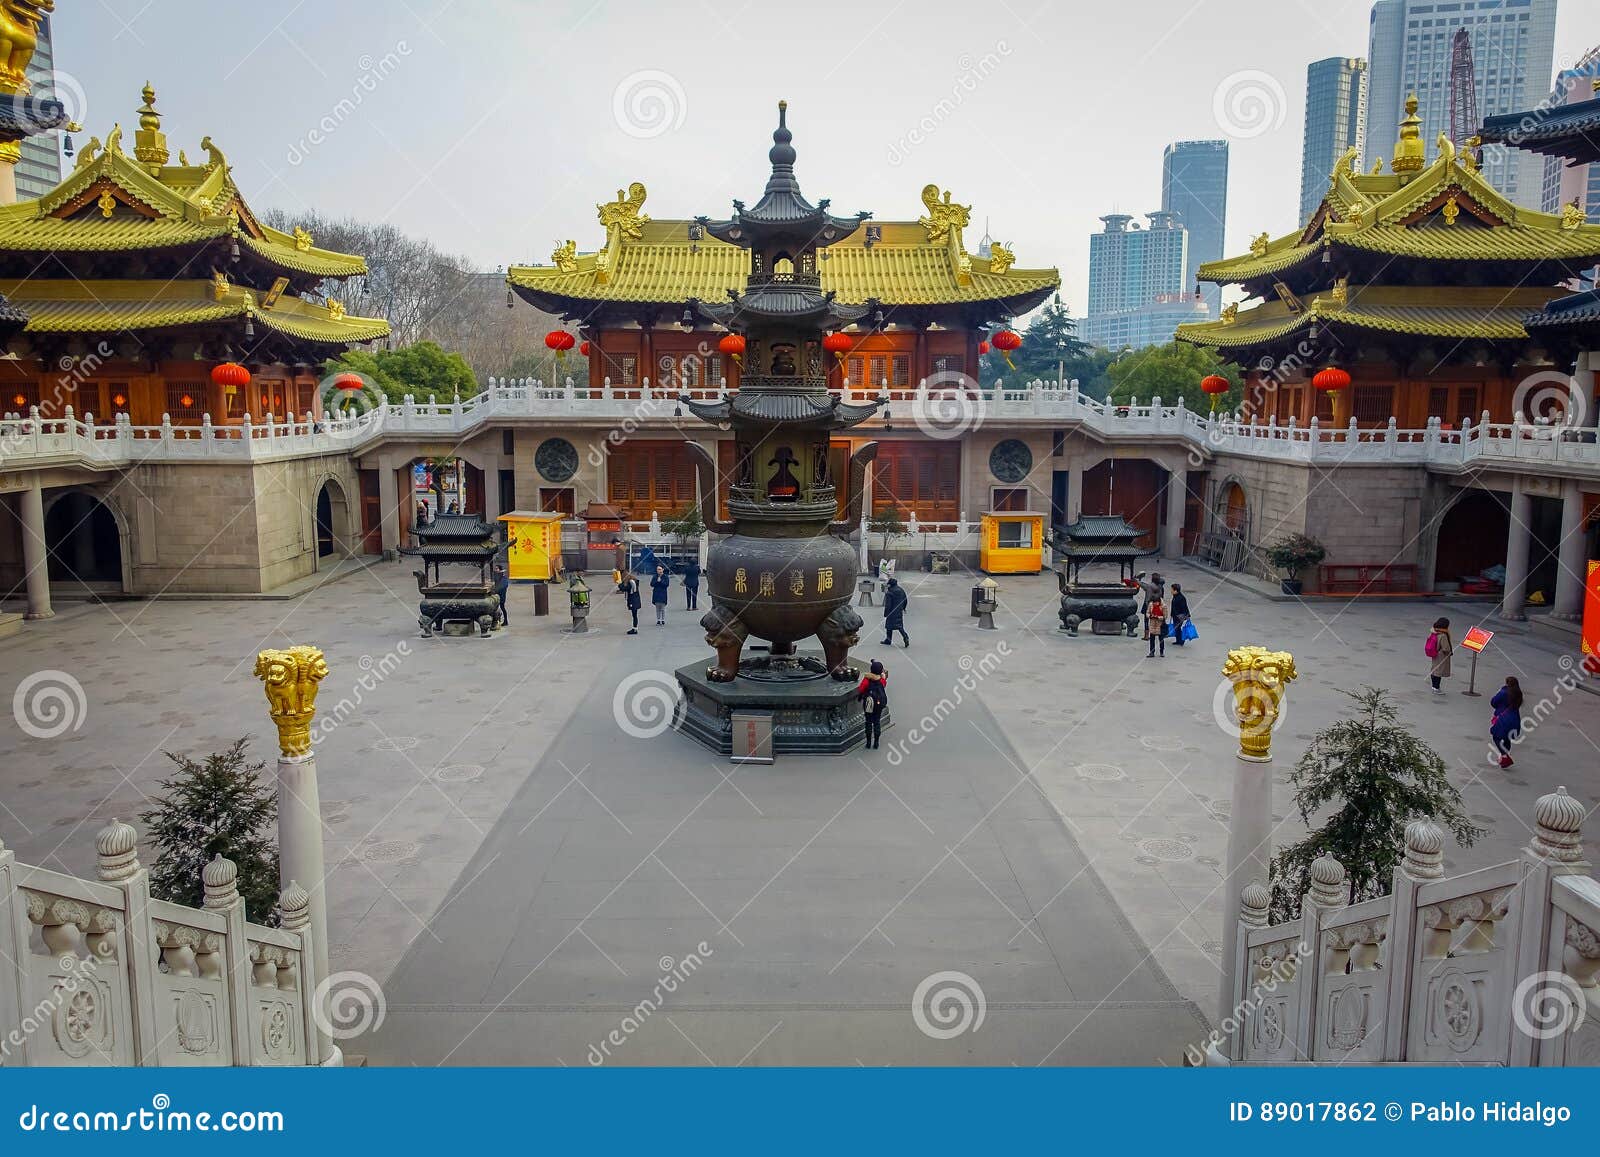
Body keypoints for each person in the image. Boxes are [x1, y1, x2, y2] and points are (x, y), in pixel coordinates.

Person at [1489, 676, 1523, 769]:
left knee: (1496, 736)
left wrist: (1500, 691)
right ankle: (1504, 757)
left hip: (1503, 719)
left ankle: (1504, 756)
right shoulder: (1518, 693)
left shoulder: (1504, 692)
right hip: (1515, 719)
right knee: (1507, 738)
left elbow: (1493, 702)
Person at [857, 660, 889, 750]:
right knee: (877, 722)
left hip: (869, 704)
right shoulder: (881, 680)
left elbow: (861, 689)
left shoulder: (867, 679)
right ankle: (876, 742)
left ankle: (868, 742)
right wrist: (883, 677)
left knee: (868, 722)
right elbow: (884, 685)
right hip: (878, 705)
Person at [1426, 616, 1453, 694]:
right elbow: (1445, 648)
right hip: (1441, 655)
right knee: (1439, 672)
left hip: (1434, 653)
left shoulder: (1434, 631)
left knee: (1434, 669)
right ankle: (1436, 688)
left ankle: (1433, 686)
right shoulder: (1443, 635)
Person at [881, 576, 909, 647]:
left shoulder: (889, 592)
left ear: (890, 584)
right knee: (900, 626)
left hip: (891, 612)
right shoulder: (901, 590)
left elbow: (888, 605)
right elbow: (905, 600)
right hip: (899, 611)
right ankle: (905, 637)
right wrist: (903, 608)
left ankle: (888, 640)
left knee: (888, 626)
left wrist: (886, 614)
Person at [1169, 583, 1191, 647]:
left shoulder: (1181, 598)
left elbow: (1184, 607)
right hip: (1175, 615)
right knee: (1177, 628)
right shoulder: (1175, 596)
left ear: (1176, 590)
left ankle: (1181, 640)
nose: (1171, 591)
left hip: (1179, 616)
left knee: (1177, 627)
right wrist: (1172, 614)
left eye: (1172, 589)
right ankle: (1178, 640)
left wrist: (1186, 615)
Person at [1146, 591, 1167, 657]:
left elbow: (1165, 616)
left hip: (1160, 624)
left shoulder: (1163, 606)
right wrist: (1150, 616)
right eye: (1153, 602)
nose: (1154, 604)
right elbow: (1147, 613)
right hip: (1152, 623)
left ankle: (1161, 651)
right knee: (1152, 639)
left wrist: (1158, 617)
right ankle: (1152, 652)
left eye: (1155, 602)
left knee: (1161, 639)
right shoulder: (1151, 604)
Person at [492, 562, 510, 627]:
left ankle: (505, 620)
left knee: (502, 608)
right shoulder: (497, 576)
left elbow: (502, 586)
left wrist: (495, 590)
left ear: (500, 569)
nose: (496, 570)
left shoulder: (503, 578)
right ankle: (497, 621)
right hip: (497, 595)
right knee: (496, 608)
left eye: (497, 568)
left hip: (501, 595)